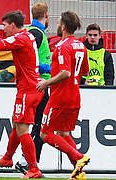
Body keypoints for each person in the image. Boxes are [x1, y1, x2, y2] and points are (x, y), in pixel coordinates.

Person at [0, 10, 44, 178]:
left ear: (13, 25)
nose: (3, 29)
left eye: (5, 25)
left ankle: (33, 169)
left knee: (22, 129)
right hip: (31, 88)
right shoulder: (27, 36)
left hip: (28, 90)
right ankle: (8, 158)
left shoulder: (21, 38)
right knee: (16, 123)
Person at [36, 11, 90, 179]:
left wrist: (46, 82)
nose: (57, 25)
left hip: (60, 97)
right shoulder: (81, 45)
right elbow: (85, 71)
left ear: (64, 26)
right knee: (63, 134)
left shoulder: (61, 46)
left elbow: (66, 72)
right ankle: (78, 172)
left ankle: (79, 157)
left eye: (59, 22)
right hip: (74, 95)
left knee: (44, 134)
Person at [14, 2, 51, 175]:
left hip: (36, 86)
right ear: (46, 14)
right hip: (37, 86)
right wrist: (51, 68)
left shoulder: (36, 32)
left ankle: (24, 162)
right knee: (36, 128)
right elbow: (30, 61)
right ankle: (27, 163)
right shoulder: (35, 33)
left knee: (30, 126)